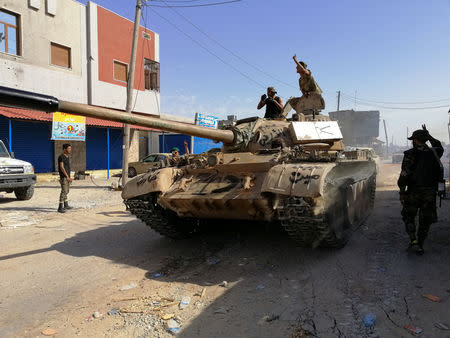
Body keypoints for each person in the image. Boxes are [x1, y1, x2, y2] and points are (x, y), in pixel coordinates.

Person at [398, 125, 444, 255]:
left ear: (416, 140)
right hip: (429, 193)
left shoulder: (410, 154)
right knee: (425, 220)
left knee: (408, 216)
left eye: (413, 139)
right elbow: (439, 145)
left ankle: (413, 241)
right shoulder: (435, 152)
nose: (412, 141)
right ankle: (420, 244)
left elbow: (404, 175)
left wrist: (401, 192)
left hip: (413, 192)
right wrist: (428, 136)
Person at [57, 143, 73, 213]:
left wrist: (70, 176)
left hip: (67, 176)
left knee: (67, 190)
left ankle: (66, 205)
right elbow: (62, 167)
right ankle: (60, 207)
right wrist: (67, 176)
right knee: (64, 191)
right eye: (68, 148)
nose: (70, 150)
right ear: (64, 149)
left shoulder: (67, 157)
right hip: (63, 177)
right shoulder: (61, 157)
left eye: (70, 148)